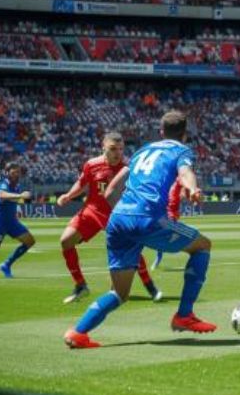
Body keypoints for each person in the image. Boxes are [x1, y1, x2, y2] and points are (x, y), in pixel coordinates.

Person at [64, 110, 214, 349]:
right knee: (203, 246)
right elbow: (185, 172)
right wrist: (193, 189)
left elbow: (111, 191)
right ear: (185, 135)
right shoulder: (181, 150)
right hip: (148, 218)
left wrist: (127, 215)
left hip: (118, 220)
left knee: (119, 293)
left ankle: (78, 333)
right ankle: (184, 315)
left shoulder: (141, 151)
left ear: (161, 132)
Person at [57, 133, 162, 304]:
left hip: (116, 213)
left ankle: (150, 286)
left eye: (121, 149)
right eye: (113, 149)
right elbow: (82, 183)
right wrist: (68, 195)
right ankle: (81, 286)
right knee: (66, 241)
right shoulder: (92, 164)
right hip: (92, 211)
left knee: (130, 249)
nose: (118, 153)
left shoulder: (129, 167)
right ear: (103, 148)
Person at [152, 178, 187, 269]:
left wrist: (184, 192)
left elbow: (184, 186)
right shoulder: (165, 182)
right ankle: (161, 253)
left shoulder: (178, 181)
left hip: (172, 213)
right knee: (162, 235)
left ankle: (167, 245)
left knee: (168, 234)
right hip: (165, 213)